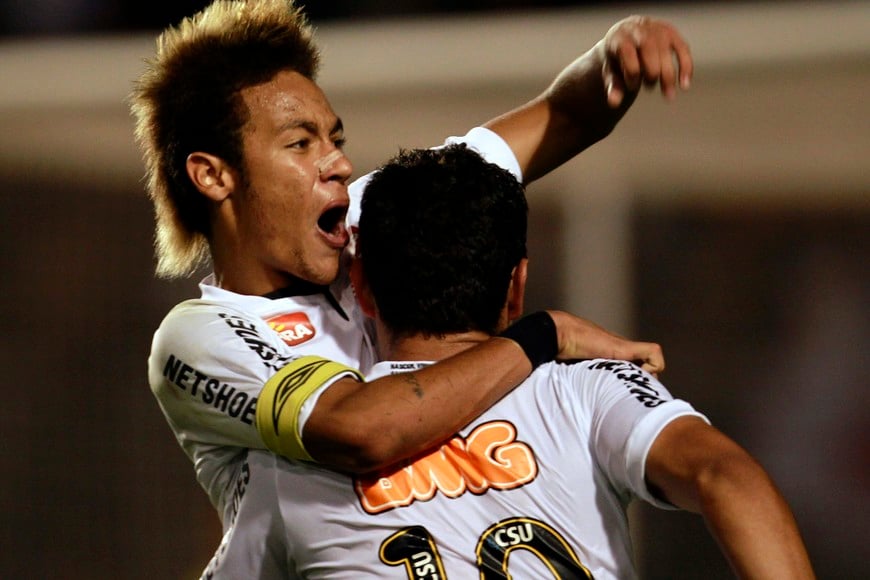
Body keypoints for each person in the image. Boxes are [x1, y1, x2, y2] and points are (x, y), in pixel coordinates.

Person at [129, 0, 691, 569]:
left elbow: (566, 117)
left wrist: (614, 55)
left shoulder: (379, 219)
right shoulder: (199, 338)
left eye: (335, 139)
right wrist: (544, 335)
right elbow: (358, 429)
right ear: (213, 175)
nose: (338, 164)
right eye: (300, 144)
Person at [231, 144, 814, 578]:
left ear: (360, 285)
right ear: (517, 284)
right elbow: (727, 478)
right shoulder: (590, 391)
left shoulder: (298, 454)